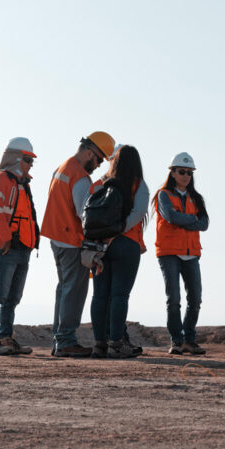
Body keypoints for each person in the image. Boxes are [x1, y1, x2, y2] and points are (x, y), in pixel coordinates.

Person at [41, 131, 115, 357]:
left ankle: (60, 340)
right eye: (99, 159)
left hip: (57, 237)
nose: (99, 164)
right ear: (90, 152)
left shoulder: (63, 167)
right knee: (74, 292)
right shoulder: (80, 176)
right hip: (71, 240)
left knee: (64, 290)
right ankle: (65, 342)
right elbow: (85, 214)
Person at [0, 138, 39, 355]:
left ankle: (5, 338)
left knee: (12, 298)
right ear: (15, 158)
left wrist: (30, 243)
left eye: (31, 161)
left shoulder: (21, 184)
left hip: (22, 247)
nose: (30, 165)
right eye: (28, 159)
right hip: (6, 246)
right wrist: (4, 239)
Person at [89, 145, 149, 359]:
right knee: (120, 295)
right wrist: (118, 231)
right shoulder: (138, 184)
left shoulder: (99, 184)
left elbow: (87, 214)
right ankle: (116, 343)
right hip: (128, 244)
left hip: (100, 246)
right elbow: (139, 213)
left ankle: (99, 344)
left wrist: (103, 237)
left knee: (100, 295)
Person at [154, 152, 209, 355]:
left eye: (189, 172)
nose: (186, 175)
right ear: (173, 173)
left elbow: (205, 224)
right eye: (182, 171)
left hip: (191, 253)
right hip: (169, 252)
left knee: (195, 299)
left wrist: (184, 219)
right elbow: (170, 217)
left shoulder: (196, 198)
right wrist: (191, 220)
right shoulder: (163, 195)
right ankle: (177, 341)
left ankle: (189, 340)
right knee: (174, 299)